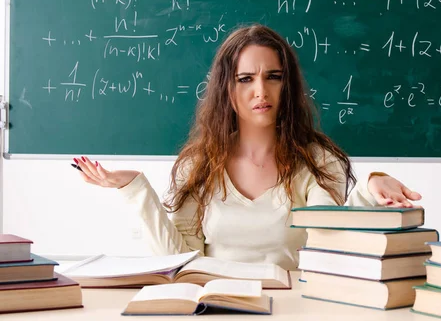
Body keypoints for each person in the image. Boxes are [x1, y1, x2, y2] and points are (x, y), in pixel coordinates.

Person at [74, 25, 421, 270]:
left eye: (273, 76)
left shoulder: (317, 161)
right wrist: (136, 188)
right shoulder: (197, 166)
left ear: (288, 85)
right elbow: (178, 260)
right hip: (213, 308)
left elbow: (331, 239)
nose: (261, 91)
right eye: (245, 79)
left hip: (292, 309)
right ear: (227, 88)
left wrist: (369, 189)